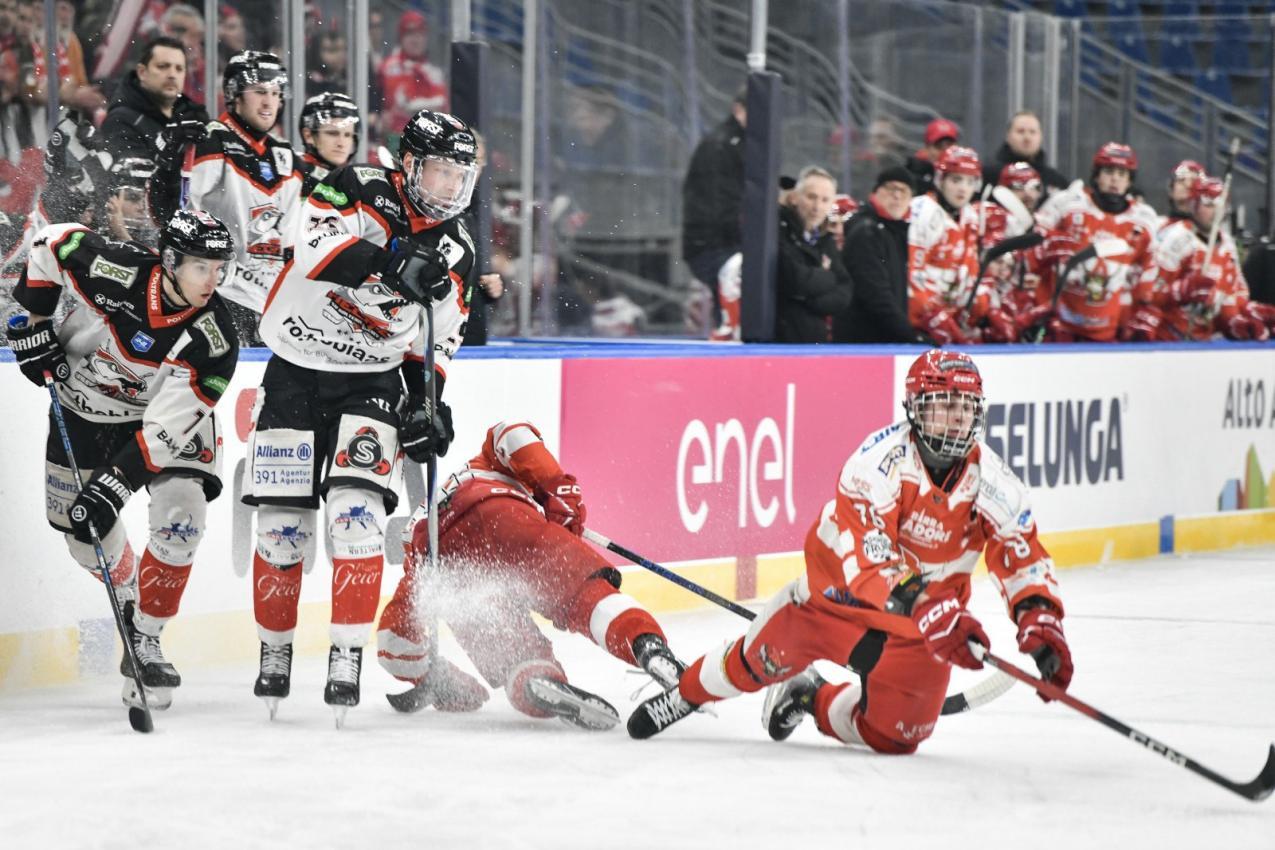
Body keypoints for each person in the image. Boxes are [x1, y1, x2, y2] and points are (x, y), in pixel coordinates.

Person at [628, 350, 1072, 749]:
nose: (955, 419)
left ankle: (808, 694)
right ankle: (685, 693)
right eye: (942, 407)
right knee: (752, 665)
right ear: (915, 411)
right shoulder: (875, 465)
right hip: (831, 608)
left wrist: (1041, 619)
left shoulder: (996, 483)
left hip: (917, 633)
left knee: (895, 737)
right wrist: (932, 607)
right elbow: (869, 564)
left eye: (965, 408)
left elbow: (1021, 556)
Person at [244, 108, 479, 722]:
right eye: (439, 171)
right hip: (295, 366)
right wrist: (393, 259)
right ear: (407, 163)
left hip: (371, 381)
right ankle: (274, 653)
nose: (451, 188)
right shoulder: (354, 186)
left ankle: (345, 653)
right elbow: (314, 249)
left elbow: (437, 339)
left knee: (359, 517)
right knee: (280, 524)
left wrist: (429, 402)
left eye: (460, 176)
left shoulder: (458, 250)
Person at [5, 209, 237, 710]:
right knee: (82, 535)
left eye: (221, 268)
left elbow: (164, 433)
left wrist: (116, 484)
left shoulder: (215, 339)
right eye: (203, 267)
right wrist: (31, 324)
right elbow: (50, 241)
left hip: (157, 422)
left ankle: (147, 637)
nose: (213, 280)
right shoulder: (116, 269)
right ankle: (133, 594)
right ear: (171, 261)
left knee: (182, 515)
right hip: (83, 409)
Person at [376, 420, 686, 729]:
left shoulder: (419, 554)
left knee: (515, 653)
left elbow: (392, 640)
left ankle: (535, 677)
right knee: (581, 595)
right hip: (502, 515)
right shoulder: (484, 465)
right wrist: (560, 491)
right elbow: (512, 431)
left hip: (446, 564)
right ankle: (647, 646)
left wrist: (437, 677)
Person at [149, 50, 304, 343]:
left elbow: (291, 242)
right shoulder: (210, 140)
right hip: (218, 293)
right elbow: (168, 216)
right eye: (259, 91)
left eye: (275, 92)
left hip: (270, 302)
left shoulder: (286, 157)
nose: (269, 101)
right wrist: (169, 165)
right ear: (234, 95)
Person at [1029, 142, 1154, 342]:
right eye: (1109, 171)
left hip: (1109, 332)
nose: (1115, 179)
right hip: (1057, 325)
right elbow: (1032, 250)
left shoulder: (1144, 221)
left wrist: (1138, 313)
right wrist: (1046, 249)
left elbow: (1146, 274)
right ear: (1096, 175)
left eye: (1122, 174)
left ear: (1130, 181)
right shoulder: (1067, 203)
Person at [1131, 176, 1275, 341]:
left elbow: (1233, 296)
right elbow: (1147, 293)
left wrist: (1237, 321)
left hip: (1205, 340)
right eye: (1209, 205)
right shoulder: (1177, 238)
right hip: (1169, 338)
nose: (1216, 211)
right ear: (1193, 206)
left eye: (1221, 205)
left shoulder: (1227, 245)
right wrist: (1182, 290)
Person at [832, 166, 927, 344]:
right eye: (891, 189)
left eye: (904, 191)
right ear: (875, 193)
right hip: (863, 344)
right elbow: (875, 294)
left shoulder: (896, 232)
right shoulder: (866, 231)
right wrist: (909, 335)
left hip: (883, 340)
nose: (897, 196)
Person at [681, 88, 745, 342]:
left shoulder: (747, 144)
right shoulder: (721, 146)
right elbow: (721, 205)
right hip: (715, 245)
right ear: (739, 110)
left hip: (726, 243)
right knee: (734, 288)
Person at [907, 145, 985, 344]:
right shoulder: (923, 211)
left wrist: (978, 307)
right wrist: (929, 315)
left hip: (950, 317)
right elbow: (911, 273)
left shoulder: (971, 217)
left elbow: (970, 270)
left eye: (970, 181)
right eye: (956, 179)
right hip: (919, 322)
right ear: (940, 180)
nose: (963, 188)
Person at [100, 35, 209, 164]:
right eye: (163, 66)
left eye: (179, 69)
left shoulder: (195, 117)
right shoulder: (120, 121)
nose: (172, 75)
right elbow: (133, 179)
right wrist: (171, 147)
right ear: (142, 72)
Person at [775, 165, 852, 343]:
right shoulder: (779, 228)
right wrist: (829, 277)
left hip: (814, 341)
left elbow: (844, 291)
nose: (817, 207)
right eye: (811, 197)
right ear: (795, 198)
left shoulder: (825, 239)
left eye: (825, 200)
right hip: (781, 341)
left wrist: (809, 300)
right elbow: (795, 279)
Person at [377, 11, 448, 145]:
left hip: (429, 140)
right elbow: (393, 106)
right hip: (395, 139)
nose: (416, 40)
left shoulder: (434, 72)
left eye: (420, 34)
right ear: (401, 37)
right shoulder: (388, 68)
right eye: (410, 34)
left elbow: (442, 106)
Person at [981, 111, 1068, 195]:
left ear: (1041, 137)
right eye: (1020, 131)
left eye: (1032, 132)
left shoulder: (1056, 182)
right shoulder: (987, 176)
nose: (1027, 138)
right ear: (1008, 136)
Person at [296, 91, 359, 195]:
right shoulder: (292, 174)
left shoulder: (353, 181)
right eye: (332, 133)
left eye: (347, 135)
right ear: (308, 135)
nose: (341, 143)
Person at [905, 117, 959, 196]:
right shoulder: (912, 176)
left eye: (949, 146)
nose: (945, 151)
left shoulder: (964, 176)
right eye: (939, 146)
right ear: (927, 148)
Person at [1159, 159, 1206, 233]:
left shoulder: (1208, 233)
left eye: (1193, 180)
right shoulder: (1157, 225)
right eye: (1181, 180)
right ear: (1171, 189)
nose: (1187, 185)